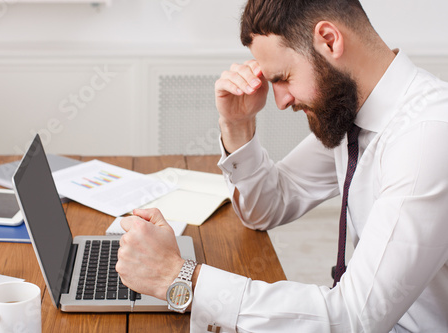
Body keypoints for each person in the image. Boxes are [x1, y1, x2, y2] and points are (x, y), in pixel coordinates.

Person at [116, 0, 448, 331]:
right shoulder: (355, 113)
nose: (280, 100)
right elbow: (267, 207)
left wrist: (180, 278)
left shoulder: (427, 136)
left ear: (329, 40)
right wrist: (237, 122)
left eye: (284, 77)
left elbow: (354, 318)